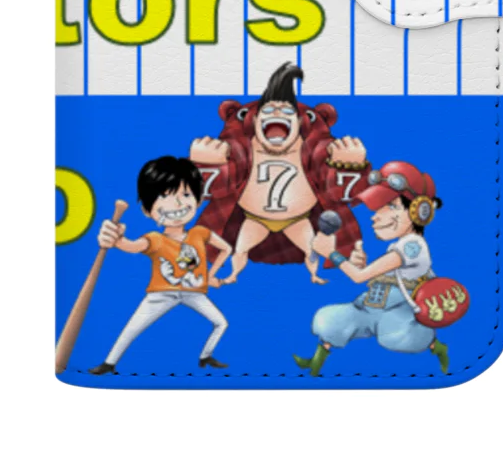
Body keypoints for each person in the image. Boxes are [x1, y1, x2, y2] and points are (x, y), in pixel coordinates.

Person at [190, 62, 370, 285]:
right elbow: (203, 193)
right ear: (254, 121)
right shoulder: (239, 150)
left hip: (298, 219)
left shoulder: (317, 151)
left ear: (299, 122)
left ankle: (314, 275)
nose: (276, 112)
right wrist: (203, 164)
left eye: (286, 111)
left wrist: (349, 165)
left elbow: (349, 196)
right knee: (241, 249)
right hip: (255, 218)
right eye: (267, 110)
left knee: (311, 250)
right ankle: (233, 275)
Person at [293, 160, 451, 376]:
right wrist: (357, 262)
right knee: (332, 321)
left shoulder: (412, 246)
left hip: (397, 309)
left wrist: (332, 254)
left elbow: (360, 277)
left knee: (395, 337)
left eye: (392, 206)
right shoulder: (398, 246)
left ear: (419, 212)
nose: (376, 215)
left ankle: (437, 347)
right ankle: (315, 363)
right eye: (378, 207)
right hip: (373, 303)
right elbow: (383, 274)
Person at [88, 156, 232, 375]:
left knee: (221, 323)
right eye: (164, 196)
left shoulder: (199, 233)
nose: (177, 204)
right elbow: (131, 246)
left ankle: (205, 356)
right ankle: (109, 364)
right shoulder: (155, 239)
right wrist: (116, 239)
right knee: (132, 328)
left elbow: (226, 249)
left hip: (194, 292)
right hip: (161, 294)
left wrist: (211, 275)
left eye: (185, 195)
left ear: (198, 201)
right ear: (147, 210)